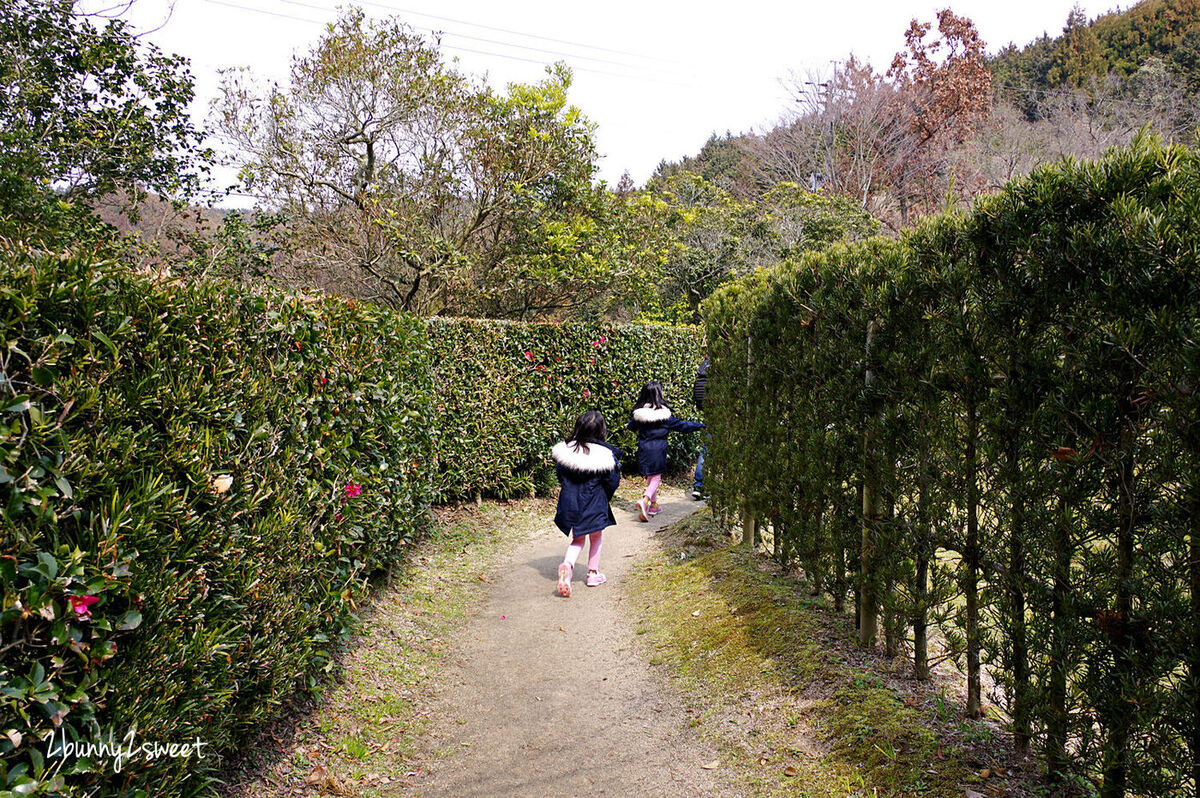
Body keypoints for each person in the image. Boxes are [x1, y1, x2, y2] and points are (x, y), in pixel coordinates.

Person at [552, 410, 621, 598]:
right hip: (594, 501)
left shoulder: (567, 452)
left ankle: (567, 565)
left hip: (571, 503)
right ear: (601, 431)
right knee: (596, 536)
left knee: (578, 539)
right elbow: (612, 480)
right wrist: (607, 495)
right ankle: (593, 574)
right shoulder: (605, 456)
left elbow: (560, 475)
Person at [627, 381, 704, 522]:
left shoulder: (639, 415)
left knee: (651, 477)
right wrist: (700, 426)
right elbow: (683, 425)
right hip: (658, 450)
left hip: (643, 449)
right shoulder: (665, 416)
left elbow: (631, 427)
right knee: (656, 478)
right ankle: (645, 500)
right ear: (659, 395)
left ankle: (654, 505)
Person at [691, 356, 709, 500]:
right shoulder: (719, 368)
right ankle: (703, 484)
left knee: (706, 448)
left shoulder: (703, 367)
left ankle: (699, 484)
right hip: (720, 412)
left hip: (707, 412)